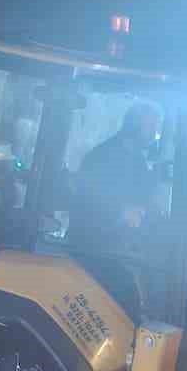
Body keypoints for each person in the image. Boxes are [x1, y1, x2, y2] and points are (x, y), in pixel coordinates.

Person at [69, 101, 163, 256]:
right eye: (151, 127)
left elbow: (142, 198)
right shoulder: (100, 157)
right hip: (91, 250)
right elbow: (85, 201)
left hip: (123, 247)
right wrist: (121, 213)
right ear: (133, 126)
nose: (154, 134)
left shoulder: (139, 161)